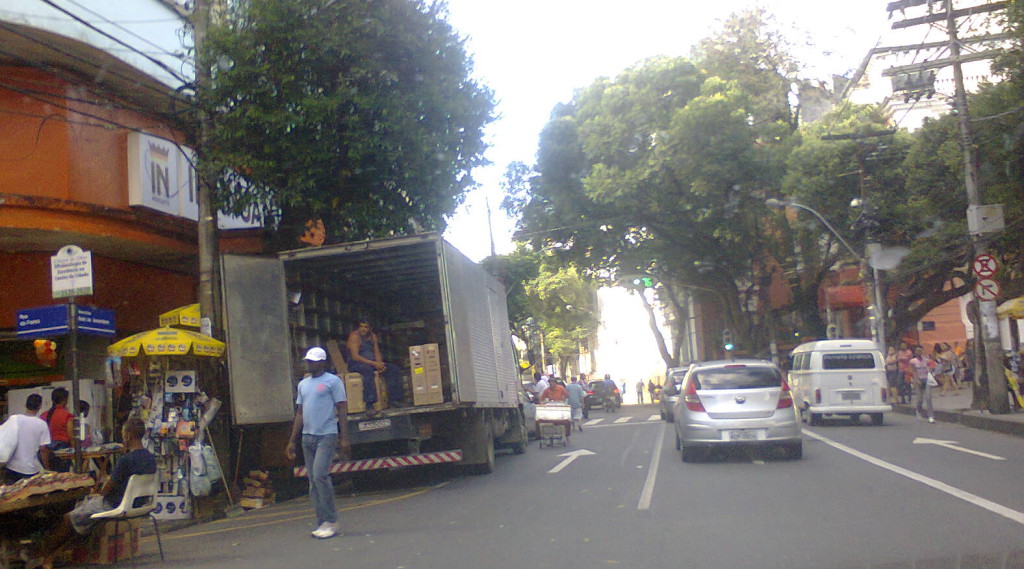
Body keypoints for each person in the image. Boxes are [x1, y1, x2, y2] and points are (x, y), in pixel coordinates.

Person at [32, 418, 156, 568]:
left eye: (123, 433)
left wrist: (98, 492)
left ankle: (40, 552)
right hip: (138, 504)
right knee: (81, 516)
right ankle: (51, 556)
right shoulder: (150, 458)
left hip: (114, 504)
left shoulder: (125, 460)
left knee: (69, 517)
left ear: (128, 435)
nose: (123, 437)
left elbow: (108, 487)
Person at [285, 347, 350, 540]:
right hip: (308, 437)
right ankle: (322, 521)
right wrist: (292, 441)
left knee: (321, 476)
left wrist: (343, 437)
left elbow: (342, 408)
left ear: (322, 362)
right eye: (308, 361)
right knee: (313, 482)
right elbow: (300, 413)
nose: (309, 364)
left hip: (326, 435)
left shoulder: (333, 381)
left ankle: (331, 520)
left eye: (313, 361)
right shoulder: (303, 384)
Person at [346, 319, 404, 415]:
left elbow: (376, 352)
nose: (363, 329)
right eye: (361, 326)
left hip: (371, 363)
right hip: (357, 364)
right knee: (368, 372)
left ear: (371, 328)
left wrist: (380, 364)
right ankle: (369, 404)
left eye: (366, 327)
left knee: (394, 369)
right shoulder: (355, 336)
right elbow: (355, 357)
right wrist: (373, 364)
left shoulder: (373, 337)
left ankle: (394, 399)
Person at [4, 393, 51, 484]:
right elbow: (43, 450)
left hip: (11, 467)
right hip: (30, 469)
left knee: (10, 495)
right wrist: (46, 468)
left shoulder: (14, 419)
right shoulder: (42, 424)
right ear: (40, 406)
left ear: (25, 405)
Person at [40, 387, 74, 472]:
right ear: (64, 400)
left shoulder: (43, 415)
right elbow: (71, 435)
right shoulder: (67, 415)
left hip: (45, 454)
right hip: (62, 452)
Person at [910, 345, 936, 423]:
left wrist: (931, 370)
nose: (919, 352)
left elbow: (931, 367)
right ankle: (918, 411)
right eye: (917, 351)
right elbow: (913, 371)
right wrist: (916, 379)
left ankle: (931, 416)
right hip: (918, 380)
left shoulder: (926, 360)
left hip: (926, 379)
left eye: (920, 350)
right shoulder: (913, 361)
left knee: (928, 398)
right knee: (920, 399)